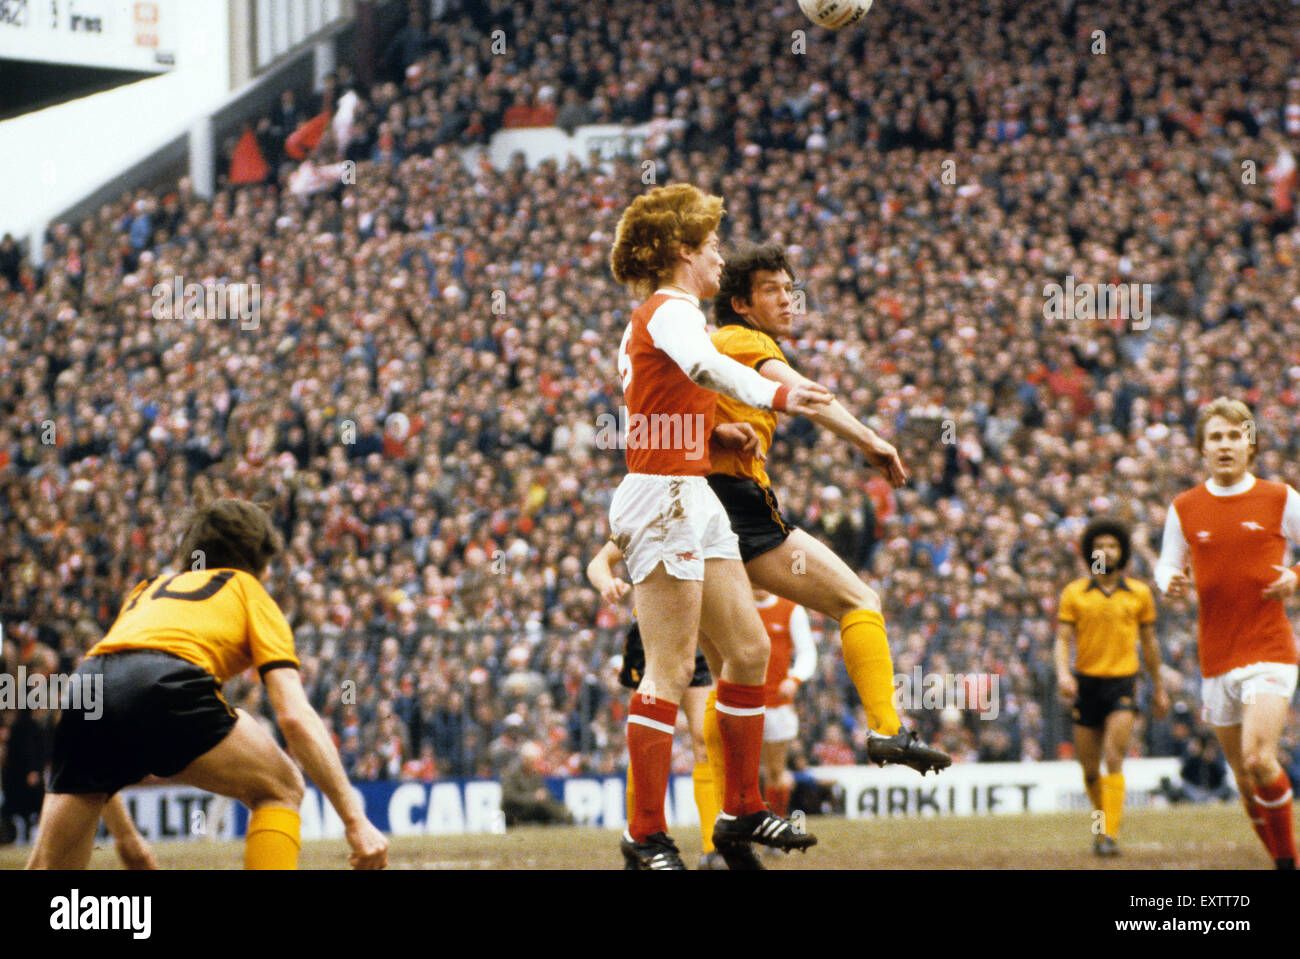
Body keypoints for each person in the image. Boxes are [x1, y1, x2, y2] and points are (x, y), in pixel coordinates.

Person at [607, 184, 829, 870]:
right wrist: (778, 393)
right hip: (665, 496)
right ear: (683, 252)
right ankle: (645, 834)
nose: (720, 258)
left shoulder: (654, 319)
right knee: (671, 669)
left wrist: (710, 431)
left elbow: (654, 398)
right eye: (710, 246)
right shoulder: (671, 309)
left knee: (749, 651)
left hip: (689, 490)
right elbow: (703, 365)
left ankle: (740, 809)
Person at [26, 497, 388, 870]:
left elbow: (107, 723)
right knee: (281, 788)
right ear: (258, 559)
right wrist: (355, 820)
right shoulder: (247, 588)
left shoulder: (147, 590)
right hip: (166, 686)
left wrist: (126, 837)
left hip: (87, 686)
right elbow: (295, 717)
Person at [705, 242, 950, 774]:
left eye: (790, 289)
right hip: (735, 502)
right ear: (742, 304)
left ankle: (731, 812)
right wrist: (870, 441)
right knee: (858, 600)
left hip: (693, 503)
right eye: (771, 290)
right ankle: (886, 729)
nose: (787, 300)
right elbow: (808, 395)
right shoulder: (743, 339)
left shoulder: (712, 345)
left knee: (728, 666)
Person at [1155, 397, 1300, 870]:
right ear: (1202, 447)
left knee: (1259, 759)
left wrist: (1295, 576)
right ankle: (1280, 858)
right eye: (1215, 436)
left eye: (1235, 436)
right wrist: (1168, 581)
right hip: (1217, 657)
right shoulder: (1185, 507)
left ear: (1250, 445)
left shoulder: (1280, 498)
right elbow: (1166, 564)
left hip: (1270, 649)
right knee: (1243, 778)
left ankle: (1288, 864)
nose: (1225, 444)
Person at [586, 541, 749, 869]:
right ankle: (642, 840)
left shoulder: (704, 518)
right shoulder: (644, 518)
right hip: (652, 638)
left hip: (697, 634)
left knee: (705, 738)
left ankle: (713, 848)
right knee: (648, 744)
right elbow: (598, 562)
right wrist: (607, 583)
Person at [1055, 517, 1168, 857]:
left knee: (1114, 756)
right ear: (1090, 552)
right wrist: (1063, 674)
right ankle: (1099, 827)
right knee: (1090, 770)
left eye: (1113, 545)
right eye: (1100, 545)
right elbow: (1061, 640)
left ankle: (1108, 835)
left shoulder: (1140, 594)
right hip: (1086, 684)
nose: (1106, 551)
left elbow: (1150, 645)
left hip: (1123, 682)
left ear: (1123, 552)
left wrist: (1159, 686)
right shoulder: (1074, 593)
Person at [754, 588, 815, 819]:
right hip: (744, 700)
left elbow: (807, 652)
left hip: (777, 703)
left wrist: (794, 678)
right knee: (742, 772)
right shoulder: (738, 605)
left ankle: (777, 821)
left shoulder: (790, 609)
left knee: (775, 770)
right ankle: (743, 823)